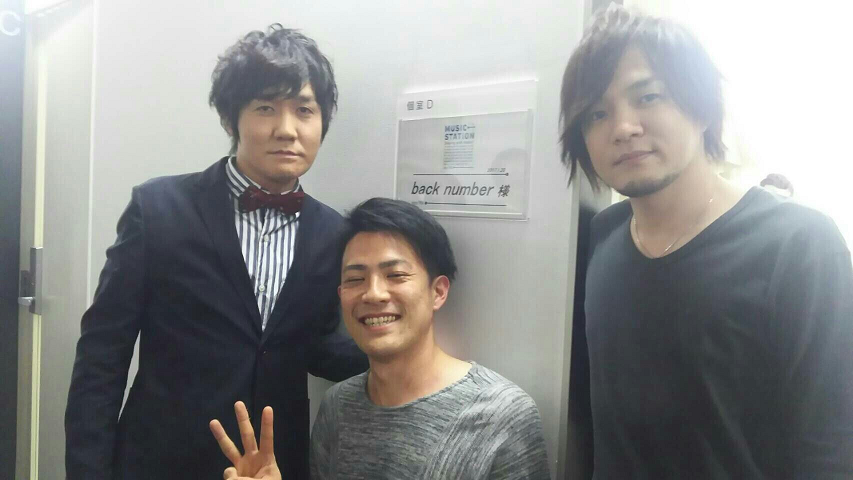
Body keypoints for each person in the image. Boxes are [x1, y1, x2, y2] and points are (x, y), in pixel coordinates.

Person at [559, 5, 853, 478]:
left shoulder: (799, 246)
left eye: (648, 96)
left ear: (700, 107)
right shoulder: (602, 235)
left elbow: (832, 448)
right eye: (597, 113)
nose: (623, 127)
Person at [65, 25, 367, 480]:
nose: (287, 129)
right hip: (161, 463)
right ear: (230, 119)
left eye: (304, 110)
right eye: (266, 108)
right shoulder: (158, 209)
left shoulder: (333, 232)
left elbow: (317, 347)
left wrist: (398, 352)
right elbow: (102, 355)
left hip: (274, 467)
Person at [210, 198, 552, 479]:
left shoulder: (502, 414)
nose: (373, 294)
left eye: (396, 275)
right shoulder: (338, 407)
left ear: (438, 292)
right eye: (355, 279)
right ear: (341, 294)